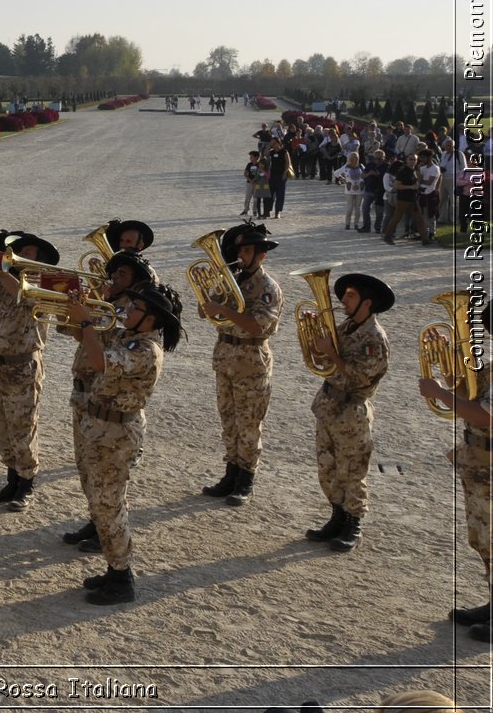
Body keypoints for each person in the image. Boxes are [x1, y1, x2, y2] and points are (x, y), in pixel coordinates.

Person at [64, 282, 182, 604]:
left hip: (115, 435)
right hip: (99, 426)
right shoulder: (127, 336)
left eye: (136, 309)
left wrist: (87, 321)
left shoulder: (146, 351)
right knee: (101, 501)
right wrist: (80, 311)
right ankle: (114, 570)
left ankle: (122, 576)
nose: (127, 311)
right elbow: (85, 342)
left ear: (152, 319)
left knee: (109, 504)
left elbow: (101, 362)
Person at [0, 229, 57, 511]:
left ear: (39, 258)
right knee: (1, 427)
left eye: (28, 252)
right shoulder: (4, 278)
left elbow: (22, 293)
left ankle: (26, 483)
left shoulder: (45, 283)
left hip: (23, 366)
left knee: (23, 428)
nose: (19, 255)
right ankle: (11, 478)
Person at [302, 272, 392, 553]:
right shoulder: (347, 327)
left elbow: (357, 377)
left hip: (351, 411)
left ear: (367, 302)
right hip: (329, 405)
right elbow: (323, 363)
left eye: (350, 295)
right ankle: (337, 517)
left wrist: (331, 353)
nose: (343, 300)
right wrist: (317, 345)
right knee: (327, 466)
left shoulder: (374, 338)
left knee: (352, 470)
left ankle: (353, 524)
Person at [199, 221, 284, 507]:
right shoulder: (231, 279)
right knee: (228, 419)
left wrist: (223, 310)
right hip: (225, 356)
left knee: (249, 422)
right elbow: (207, 313)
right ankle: (230, 472)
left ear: (261, 254)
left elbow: (259, 325)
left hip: (251, 358)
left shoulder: (267, 287)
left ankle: (246, 478)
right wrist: (208, 303)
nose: (241, 255)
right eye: (240, 250)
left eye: (247, 250)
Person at [421, 303, 492, 644]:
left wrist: (439, 393)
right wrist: (447, 368)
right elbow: (471, 395)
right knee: (482, 538)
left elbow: (485, 416)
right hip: (479, 463)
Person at [381, 152, 431, 245]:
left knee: (419, 219)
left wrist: (416, 186)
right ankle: (387, 236)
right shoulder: (403, 171)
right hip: (403, 199)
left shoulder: (414, 171)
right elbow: (397, 185)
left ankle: (425, 239)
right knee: (397, 218)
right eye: (411, 159)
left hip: (413, 198)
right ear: (407, 161)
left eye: (415, 159)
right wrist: (410, 187)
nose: (413, 161)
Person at [338, 152, 366, 230]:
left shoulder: (361, 166)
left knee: (358, 208)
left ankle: (356, 224)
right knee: (350, 208)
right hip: (349, 190)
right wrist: (343, 180)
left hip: (360, 190)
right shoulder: (346, 167)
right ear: (350, 159)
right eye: (353, 158)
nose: (355, 159)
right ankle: (347, 224)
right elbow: (336, 173)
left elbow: (365, 174)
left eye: (356, 158)